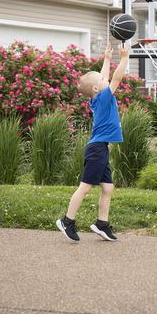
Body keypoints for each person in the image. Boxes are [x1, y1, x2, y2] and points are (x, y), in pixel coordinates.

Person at [56, 43, 128, 243]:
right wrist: (123, 58)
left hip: (100, 148)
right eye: (101, 80)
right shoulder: (105, 97)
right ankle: (67, 221)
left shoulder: (98, 97)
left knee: (107, 188)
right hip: (97, 150)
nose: (105, 80)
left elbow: (103, 78)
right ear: (97, 88)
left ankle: (101, 224)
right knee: (85, 187)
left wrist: (106, 59)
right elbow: (116, 78)